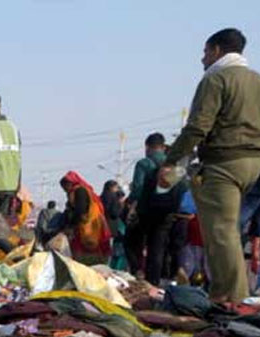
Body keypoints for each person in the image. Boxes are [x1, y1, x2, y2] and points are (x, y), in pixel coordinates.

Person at [159, 27, 260, 303]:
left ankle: (230, 300)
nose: (202, 58)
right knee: (234, 233)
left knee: (221, 233)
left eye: (205, 52)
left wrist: (172, 160)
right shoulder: (256, 80)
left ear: (217, 50)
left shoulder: (216, 79)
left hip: (225, 164)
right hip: (256, 165)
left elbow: (197, 128)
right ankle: (235, 295)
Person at [124, 133, 169, 273]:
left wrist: (131, 204)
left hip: (146, 211)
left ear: (147, 147)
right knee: (157, 247)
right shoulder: (172, 164)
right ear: (163, 146)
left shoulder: (144, 163)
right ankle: (155, 280)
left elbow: (138, 188)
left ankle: (138, 271)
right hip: (167, 211)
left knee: (131, 243)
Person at [60, 171, 111, 262]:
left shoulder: (80, 191)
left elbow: (80, 209)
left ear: (71, 183)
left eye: (65, 186)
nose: (64, 189)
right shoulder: (74, 192)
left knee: (86, 250)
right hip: (87, 224)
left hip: (88, 225)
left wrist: (71, 225)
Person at [101, 180, 127, 270]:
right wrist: (120, 206)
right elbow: (115, 213)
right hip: (112, 226)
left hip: (102, 225)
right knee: (112, 250)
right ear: (111, 187)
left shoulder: (101, 197)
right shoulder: (113, 197)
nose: (116, 189)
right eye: (116, 187)